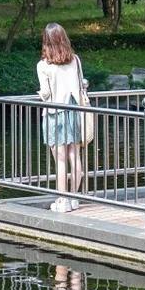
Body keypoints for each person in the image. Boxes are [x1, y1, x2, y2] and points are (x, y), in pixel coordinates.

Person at [37, 22, 86, 212]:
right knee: (74, 155)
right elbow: (81, 85)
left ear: (46, 42)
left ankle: (62, 201)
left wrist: (40, 94)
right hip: (74, 110)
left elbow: (46, 93)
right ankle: (74, 197)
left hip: (54, 113)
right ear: (64, 39)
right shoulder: (75, 60)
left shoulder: (43, 66)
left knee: (60, 159)